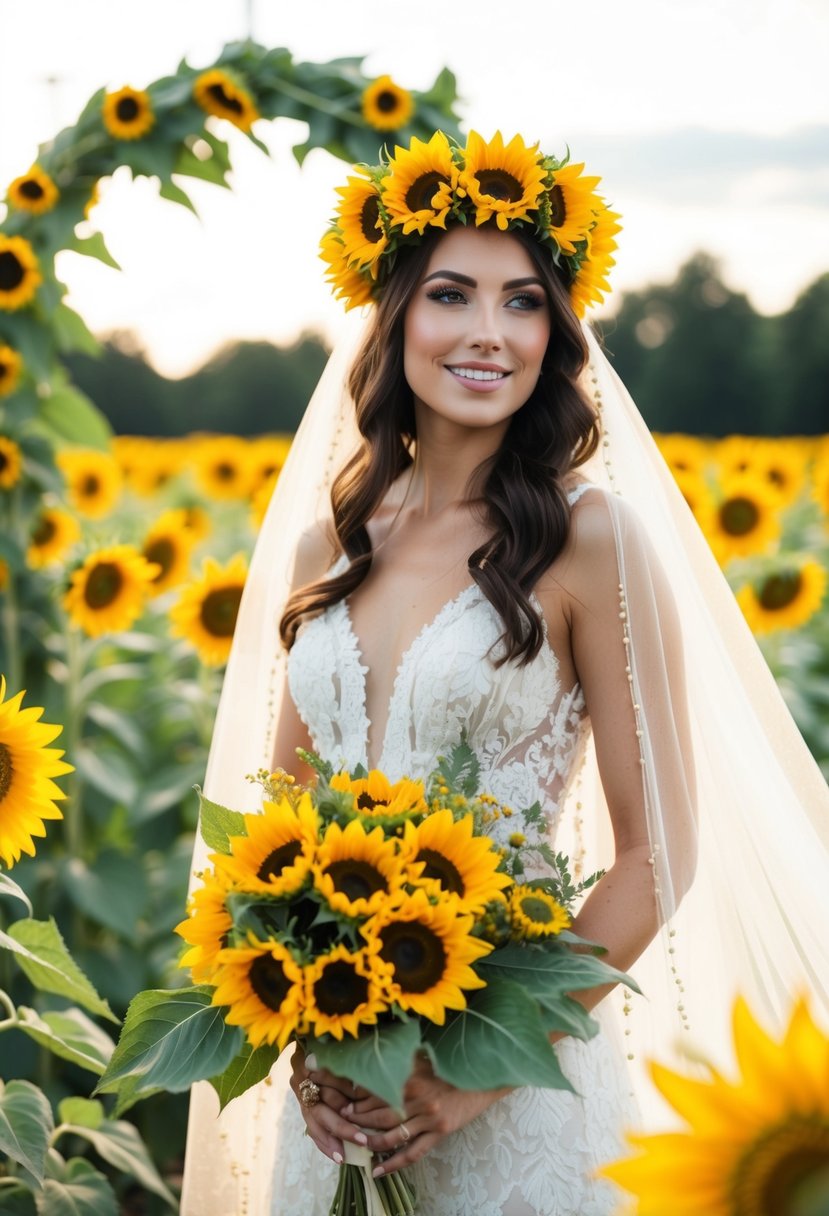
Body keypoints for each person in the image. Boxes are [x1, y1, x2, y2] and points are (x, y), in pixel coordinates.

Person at [179, 131, 829, 1216]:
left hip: (516, 1083)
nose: (489, 333)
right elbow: (271, 844)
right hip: (343, 1102)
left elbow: (657, 852)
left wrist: (469, 1071)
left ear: (557, 333)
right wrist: (303, 1038)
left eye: (524, 302)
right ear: (391, 318)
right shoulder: (322, 554)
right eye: (451, 295)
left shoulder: (587, 540)